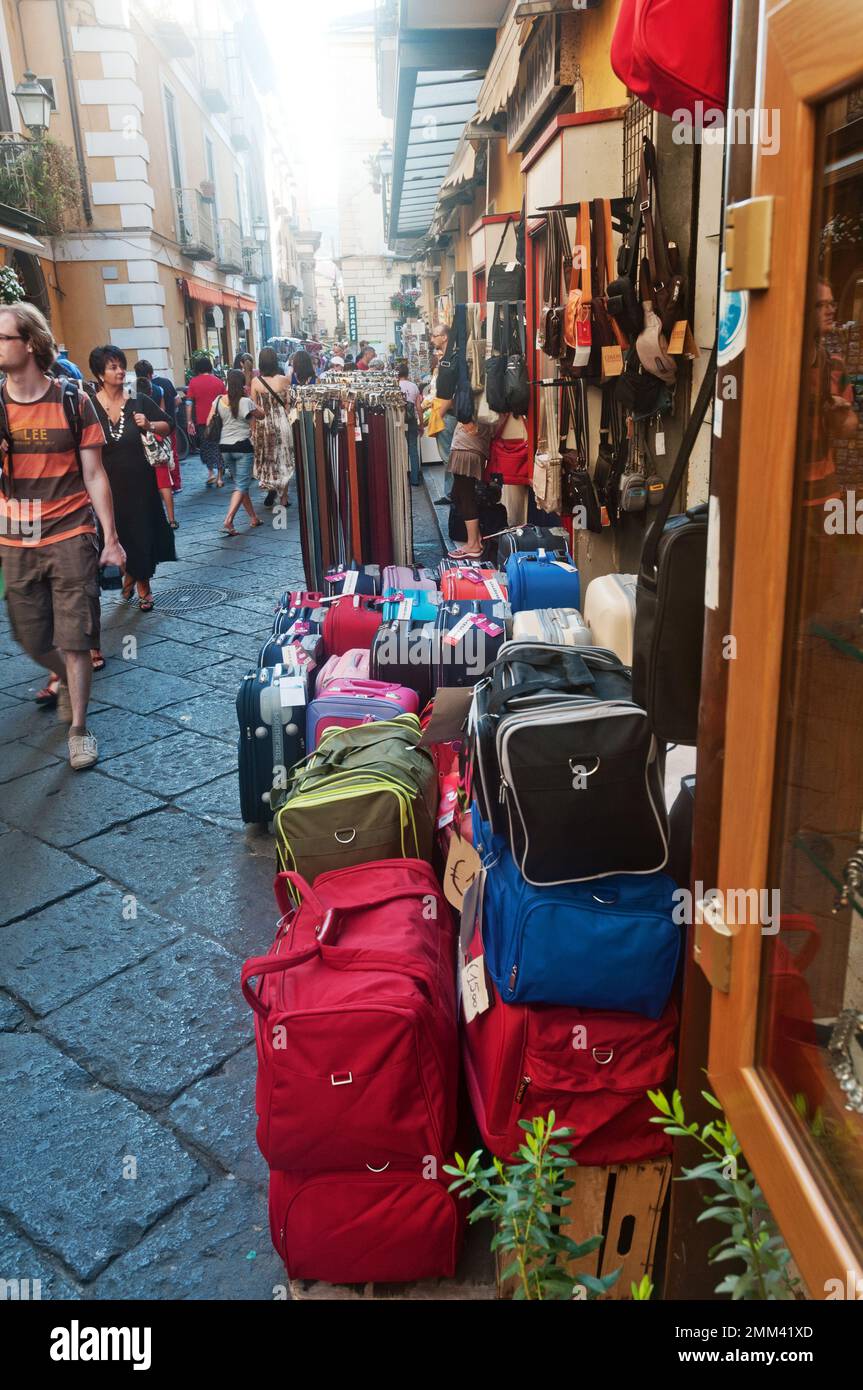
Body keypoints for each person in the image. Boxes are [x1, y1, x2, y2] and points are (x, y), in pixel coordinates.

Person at [0, 303, 125, 770]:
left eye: (2, 338)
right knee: (31, 636)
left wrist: (110, 537)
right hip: (16, 531)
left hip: (71, 527)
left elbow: (94, 474)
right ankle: (63, 679)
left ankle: (78, 729)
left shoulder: (73, 400)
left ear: (29, 343)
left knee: (76, 636)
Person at [89, 344, 175, 611]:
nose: (120, 371)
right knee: (116, 535)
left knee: (141, 534)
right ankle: (128, 575)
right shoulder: (89, 406)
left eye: (121, 365)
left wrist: (148, 425)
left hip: (140, 482)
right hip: (107, 485)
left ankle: (143, 586)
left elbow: (168, 424)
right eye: (113, 366)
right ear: (100, 374)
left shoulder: (138, 401)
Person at [206, 368, 265, 536]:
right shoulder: (245, 402)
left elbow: (209, 420)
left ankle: (253, 517)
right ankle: (228, 519)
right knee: (241, 484)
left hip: (224, 447)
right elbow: (261, 415)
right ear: (242, 384)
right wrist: (250, 398)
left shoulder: (218, 400)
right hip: (242, 446)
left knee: (241, 483)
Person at [136, 372, 181, 530]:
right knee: (164, 483)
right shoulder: (156, 393)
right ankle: (171, 518)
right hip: (157, 439)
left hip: (143, 443)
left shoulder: (135, 402)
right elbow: (164, 415)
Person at [251, 346, 294, 510]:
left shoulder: (256, 382)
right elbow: (289, 404)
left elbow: (253, 407)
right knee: (284, 457)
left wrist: (253, 429)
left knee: (268, 458)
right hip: (282, 422)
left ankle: (271, 488)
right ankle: (283, 498)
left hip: (264, 424)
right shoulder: (284, 380)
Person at [447, 416, 493, 560]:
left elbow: (464, 410)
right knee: (458, 494)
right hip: (468, 444)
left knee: (464, 495)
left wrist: (467, 423)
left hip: (468, 445)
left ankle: (473, 544)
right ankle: (476, 539)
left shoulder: (471, 393)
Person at [185, 354, 226, 486]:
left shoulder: (193, 382)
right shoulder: (218, 382)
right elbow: (225, 401)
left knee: (206, 446)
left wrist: (189, 421)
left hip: (202, 421)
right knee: (218, 446)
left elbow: (189, 403)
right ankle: (220, 477)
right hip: (219, 420)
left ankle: (210, 473)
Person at [429, 321, 457, 505]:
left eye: (435, 335)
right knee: (449, 458)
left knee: (449, 458)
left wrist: (438, 415)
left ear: (444, 337)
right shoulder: (447, 359)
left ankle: (454, 494)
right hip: (445, 413)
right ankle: (451, 493)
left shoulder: (450, 361)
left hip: (447, 415)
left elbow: (451, 394)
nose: (432, 339)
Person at [397, 360, 423, 486]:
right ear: (408, 374)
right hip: (411, 420)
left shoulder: (394, 386)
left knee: (398, 449)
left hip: (398, 420)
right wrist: (421, 424)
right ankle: (415, 479)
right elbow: (418, 408)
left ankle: (400, 478)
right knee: (413, 449)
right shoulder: (413, 386)